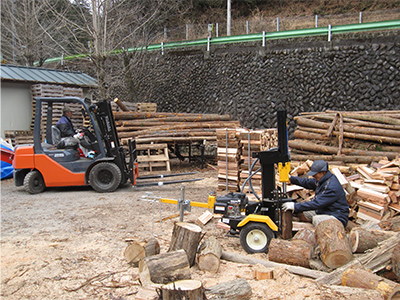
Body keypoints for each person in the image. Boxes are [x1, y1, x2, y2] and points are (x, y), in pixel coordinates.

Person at [282, 160, 349, 228]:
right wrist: (291, 178)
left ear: (322, 172)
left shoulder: (331, 187)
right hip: (325, 211)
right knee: (303, 212)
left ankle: (327, 233)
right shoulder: (323, 180)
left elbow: (317, 203)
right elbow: (307, 182)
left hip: (337, 216)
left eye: (315, 174)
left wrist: (295, 206)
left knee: (316, 219)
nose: (313, 176)